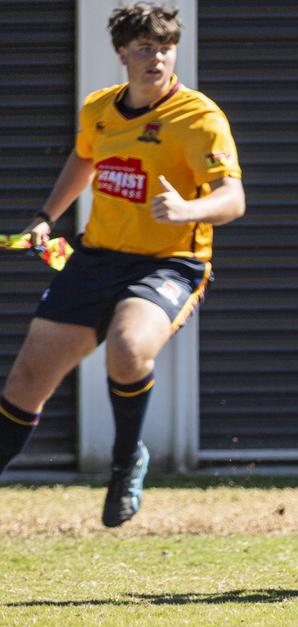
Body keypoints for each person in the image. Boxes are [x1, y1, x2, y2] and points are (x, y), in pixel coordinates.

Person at [0, 3, 244, 526]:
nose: (155, 58)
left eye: (164, 48)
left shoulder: (199, 118)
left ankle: (125, 459)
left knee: (129, 349)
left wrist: (188, 209)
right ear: (122, 54)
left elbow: (233, 199)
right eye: (143, 49)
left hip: (171, 262)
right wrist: (45, 216)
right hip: (95, 257)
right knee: (25, 381)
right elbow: (84, 157)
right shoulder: (100, 109)